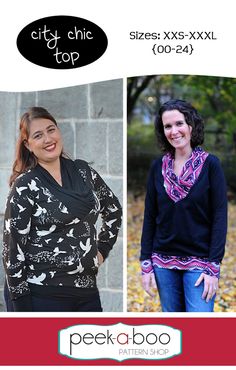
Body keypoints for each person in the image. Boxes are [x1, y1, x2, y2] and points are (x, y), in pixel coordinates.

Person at [2, 107, 122, 312]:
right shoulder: (26, 185)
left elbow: (113, 209)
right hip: (43, 295)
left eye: (51, 130)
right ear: (28, 144)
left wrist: (102, 250)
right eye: (38, 135)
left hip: (86, 291)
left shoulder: (84, 172)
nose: (48, 139)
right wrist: (21, 308)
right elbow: (12, 251)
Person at [140, 99, 227, 312]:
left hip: (200, 263)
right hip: (163, 262)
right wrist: (145, 263)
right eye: (167, 126)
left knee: (199, 333)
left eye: (179, 123)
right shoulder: (157, 167)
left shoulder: (210, 165)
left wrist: (213, 266)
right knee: (174, 330)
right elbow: (150, 216)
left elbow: (220, 216)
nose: (174, 131)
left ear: (191, 126)